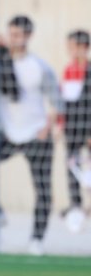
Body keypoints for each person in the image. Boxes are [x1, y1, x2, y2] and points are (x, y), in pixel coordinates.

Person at [0, 15, 63, 255]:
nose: (14, 39)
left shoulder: (39, 66)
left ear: (28, 36)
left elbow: (57, 102)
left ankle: (36, 240)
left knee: (42, 189)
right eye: (11, 34)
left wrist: (48, 127)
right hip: (7, 134)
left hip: (36, 135)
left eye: (18, 35)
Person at [58, 29, 91, 232]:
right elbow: (65, 102)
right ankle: (75, 205)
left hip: (87, 129)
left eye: (74, 46)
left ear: (83, 47)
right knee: (72, 166)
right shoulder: (68, 71)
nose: (71, 50)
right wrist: (61, 124)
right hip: (72, 129)